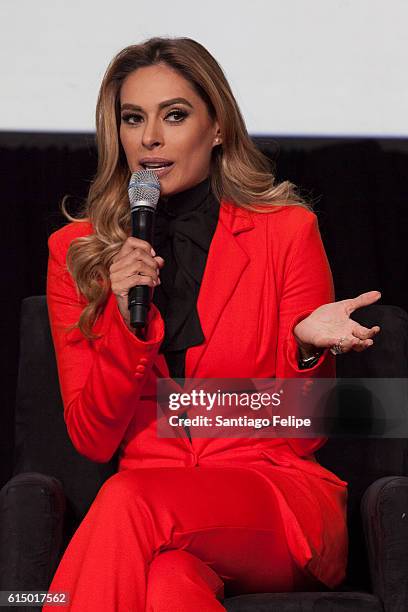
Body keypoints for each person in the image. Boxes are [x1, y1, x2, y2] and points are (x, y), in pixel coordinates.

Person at [43, 37, 381, 611]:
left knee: (128, 501)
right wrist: (127, 325)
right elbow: (91, 437)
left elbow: (307, 429)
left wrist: (304, 349)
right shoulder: (77, 252)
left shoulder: (286, 232)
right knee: (169, 585)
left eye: (175, 115)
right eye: (133, 118)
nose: (150, 136)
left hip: (270, 497)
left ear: (218, 127)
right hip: (157, 512)